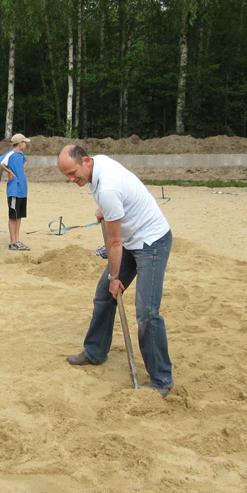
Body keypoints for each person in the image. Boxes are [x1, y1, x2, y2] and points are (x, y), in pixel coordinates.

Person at [57, 145, 174, 397]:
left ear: (85, 161)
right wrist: (108, 211)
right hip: (132, 240)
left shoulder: (107, 186)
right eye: (66, 175)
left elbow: (114, 243)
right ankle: (95, 351)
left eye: (72, 173)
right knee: (103, 296)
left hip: (152, 243)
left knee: (147, 312)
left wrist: (114, 277)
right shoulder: (97, 166)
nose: (71, 179)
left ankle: (162, 380)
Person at [0, 133, 31, 251]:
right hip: (14, 190)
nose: (25, 144)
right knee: (13, 216)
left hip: (22, 190)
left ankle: (17, 240)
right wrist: (10, 172)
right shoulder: (10, 154)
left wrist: (22, 168)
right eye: (24, 142)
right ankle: (12, 242)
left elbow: (25, 161)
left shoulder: (21, 155)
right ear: (19, 143)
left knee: (19, 216)